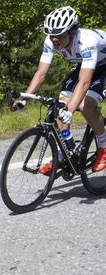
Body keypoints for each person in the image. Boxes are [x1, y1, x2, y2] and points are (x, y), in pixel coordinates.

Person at [11, 6, 106, 174]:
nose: (54, 39)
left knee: (86, 105)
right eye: (51, 34)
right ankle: (63, 155)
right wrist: (25, 98)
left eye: (59, 34)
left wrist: (71, 109)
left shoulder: (87, 42)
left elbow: (84, 82)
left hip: (104, 67)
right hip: (85, 65)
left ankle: (104, 147)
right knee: (61, 105)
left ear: (72, 31)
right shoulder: (51, 41)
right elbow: (41, 74)